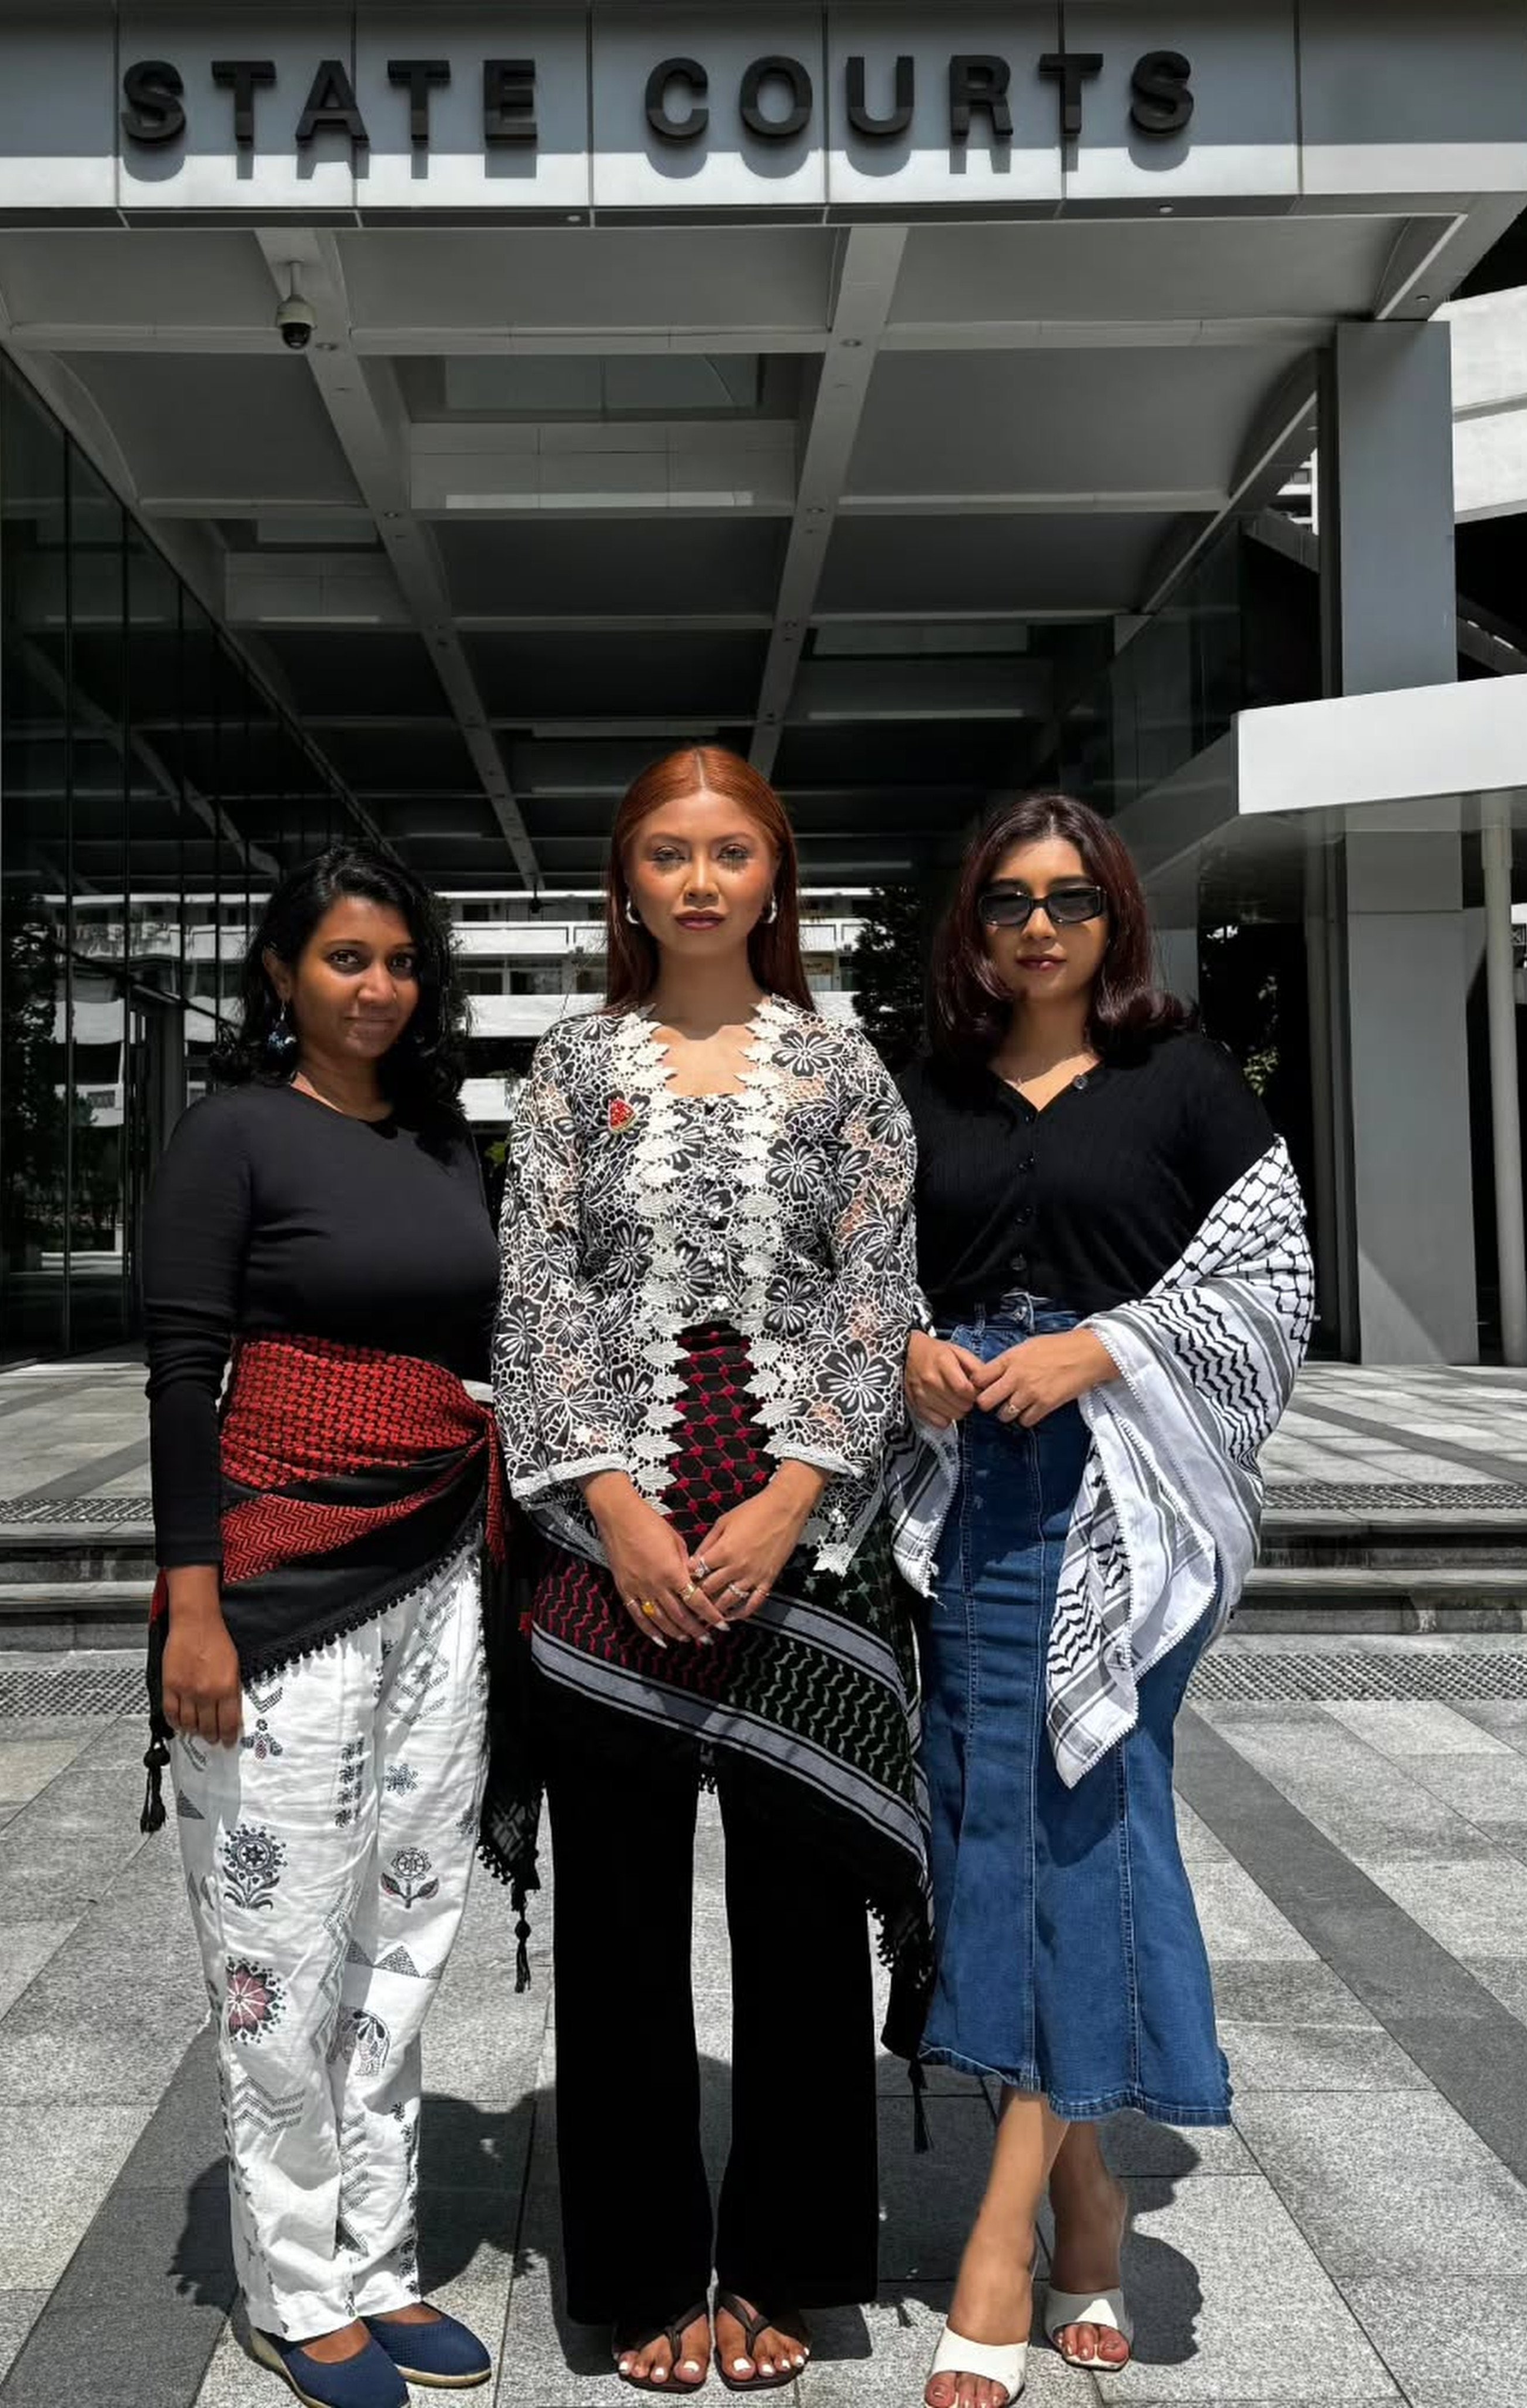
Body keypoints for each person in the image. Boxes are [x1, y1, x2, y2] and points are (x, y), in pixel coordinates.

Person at [492, 746, 931, 2395]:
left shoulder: (843, 1070)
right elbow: (534, 1294)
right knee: (615, 1925)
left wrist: (789, 1500)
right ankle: (640, 2271)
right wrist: (613, 1508)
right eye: (666, 852)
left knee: (803, 1915)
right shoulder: (568, 1068)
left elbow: (875, 1290)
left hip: (798, 1538)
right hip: (615, 1533)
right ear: (626, 880)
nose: (695, 879)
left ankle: (792, 2263)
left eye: (727, 851)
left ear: (773, 879)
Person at [895, 795, 1314, 2408]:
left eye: (1072, 898)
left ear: (1113, 917)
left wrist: (1111, 1344)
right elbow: (861, 1277)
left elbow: (1273, 1289)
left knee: (1087, 1814)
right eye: (1009, 897)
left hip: (1131, 1502)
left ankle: (1000, 2244)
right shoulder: (922, 1090)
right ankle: (1087, 2202)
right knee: (989, 1822)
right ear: (975, 924)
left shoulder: (1182, 1082)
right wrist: (913, 1350)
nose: (1041, 924)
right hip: (972, 1491)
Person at [141, 843, 510, 2408]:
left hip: (441, 1578)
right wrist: (193, 1613)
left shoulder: (439, 1139)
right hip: (280, 1598)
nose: (378, 987)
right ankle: (294, 2289)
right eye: (346, 958)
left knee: (408, 1933)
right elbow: (180, 1384)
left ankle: (377, 2259)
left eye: (401, 961)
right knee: (282, 1955)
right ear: (281, 973)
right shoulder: (232, 1135)